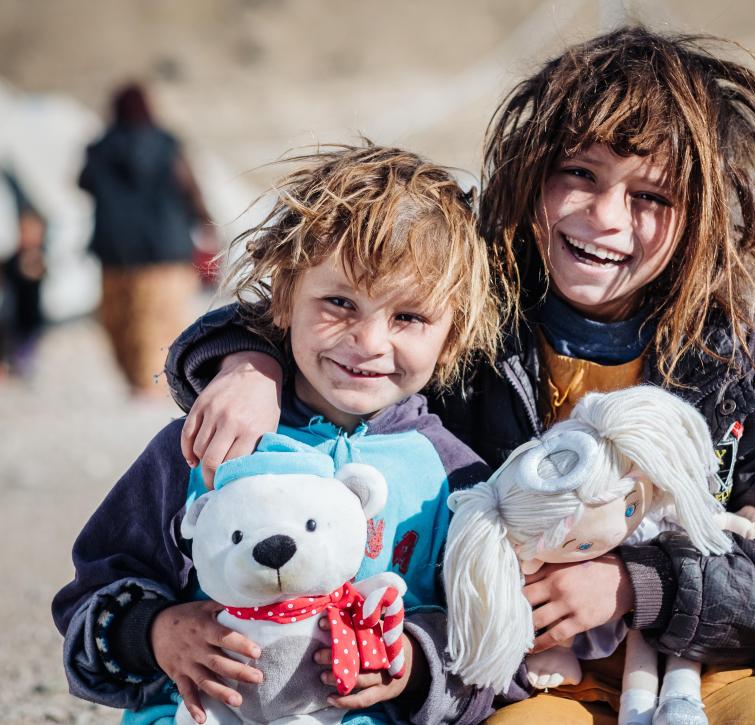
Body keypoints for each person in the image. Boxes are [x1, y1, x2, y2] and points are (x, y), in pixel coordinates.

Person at [162, 25, 755, 725]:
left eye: (650, 198)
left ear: (701, 217)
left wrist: (637, 587)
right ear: (533, 168)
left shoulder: (744, 367)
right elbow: (329, 310)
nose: (605, 217)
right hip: (525, 676)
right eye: (581, 174)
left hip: (725, 665)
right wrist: (249, 361)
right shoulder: (470, 300)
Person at [52, 145, 500, 725]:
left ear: (455, 333)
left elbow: (487, 645)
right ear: (286, 298)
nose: (368, 342)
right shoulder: (212, 441)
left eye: (408, 318)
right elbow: (93, 591)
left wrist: (414, 662)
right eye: (339, 303)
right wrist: (156, 632)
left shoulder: (455, 479)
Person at [79, 82, 216, 397]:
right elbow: (189, 188)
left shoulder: (99, 148)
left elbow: (82, 183)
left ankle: (136, 381)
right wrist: (208, 223)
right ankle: (152, 384)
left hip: (115, 251)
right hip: (166, 250)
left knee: (121, 320)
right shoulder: (168, 145)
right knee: (159, 320)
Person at [0, 170, 46, 379]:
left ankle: (20, 363)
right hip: (12, 315)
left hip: (27, 320)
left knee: (22, 337)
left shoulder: (33, 257)